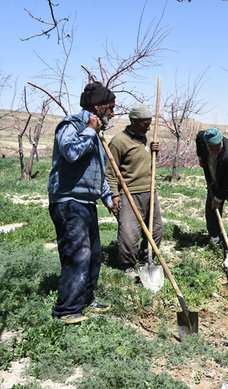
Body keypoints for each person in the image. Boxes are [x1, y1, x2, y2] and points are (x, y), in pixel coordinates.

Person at [48, 81, 118, 324]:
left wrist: (108, 197)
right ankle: (66, 310)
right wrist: (89, 129)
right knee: (77, 255)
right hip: (68, 201)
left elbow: (96, 171)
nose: (113, 112)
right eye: (110, 107)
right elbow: (70, 152)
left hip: (86, 202)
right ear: (97, 108)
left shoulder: (97, 134)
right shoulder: (72, 124)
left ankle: (86, 298)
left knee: (93, 255)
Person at [105, 104, 162, 278]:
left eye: (150, 123)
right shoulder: (118, 142)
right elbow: (110, 172)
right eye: (145, 124)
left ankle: (148, 258)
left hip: (149, 190)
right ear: (134, 122)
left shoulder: (144, 139)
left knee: (156, 228)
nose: (149, 127)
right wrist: (114, 195)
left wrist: (153, 153)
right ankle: (126, 265)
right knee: (129, 232)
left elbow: (141, 161)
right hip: (129, 193)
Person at [195, 128, 228, 266]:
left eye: (218, 147)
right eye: (211, 149)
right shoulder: (202, 139)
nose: (215, 150)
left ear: (221, 142)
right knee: (210, 210)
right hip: (214, 178)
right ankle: (214, 239)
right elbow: (199, 136)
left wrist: (218, 199)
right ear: (206, 145)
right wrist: (201, 158)